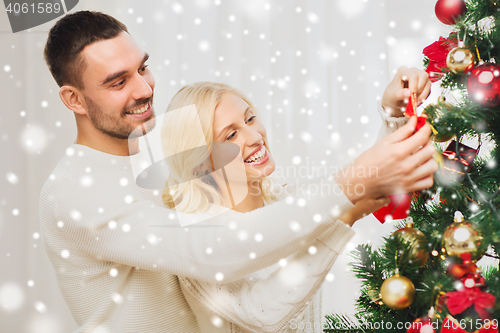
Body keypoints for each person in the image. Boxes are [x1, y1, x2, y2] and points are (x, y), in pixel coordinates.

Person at [39, 10, 437, 333]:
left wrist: (394, 114)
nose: (143, 89)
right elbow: (211, 252)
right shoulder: (77, 191)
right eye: (117, 81)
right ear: (73, 99)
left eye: (143, 68)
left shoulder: (146, 161)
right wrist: (351, 192)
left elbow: (291, 212)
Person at [159, 81, 395, 332]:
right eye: (230, 135)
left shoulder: (286, 201)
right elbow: (262, 314)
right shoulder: (197, 243)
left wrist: (394, 113)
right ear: (200, 164)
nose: (254, 136)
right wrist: (343, 219)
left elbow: (364, 176)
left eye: (250, 119)